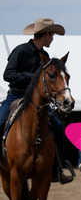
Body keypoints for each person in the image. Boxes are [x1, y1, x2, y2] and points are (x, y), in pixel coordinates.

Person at [0, 18, 73, 184]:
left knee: (58, 127)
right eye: (51, 35)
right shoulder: (21, 51)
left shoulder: (46, 56)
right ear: (45, 35)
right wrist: (31, 77)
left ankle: (58, 168)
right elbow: (7, 74)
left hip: (38, 102)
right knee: (0, 120)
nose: (52, 38)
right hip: (16, 96)